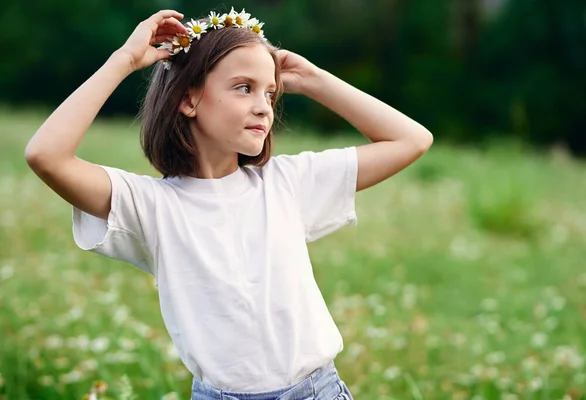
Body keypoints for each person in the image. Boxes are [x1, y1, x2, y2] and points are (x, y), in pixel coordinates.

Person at [24, 7, 433, 400]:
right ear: (189, 100)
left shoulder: (287, 183)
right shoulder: (150, 206)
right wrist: (125, 60)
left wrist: (314, 80)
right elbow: (46, 155)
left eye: (271, 92)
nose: (263, 106)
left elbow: (412, 139)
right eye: (244, 88)